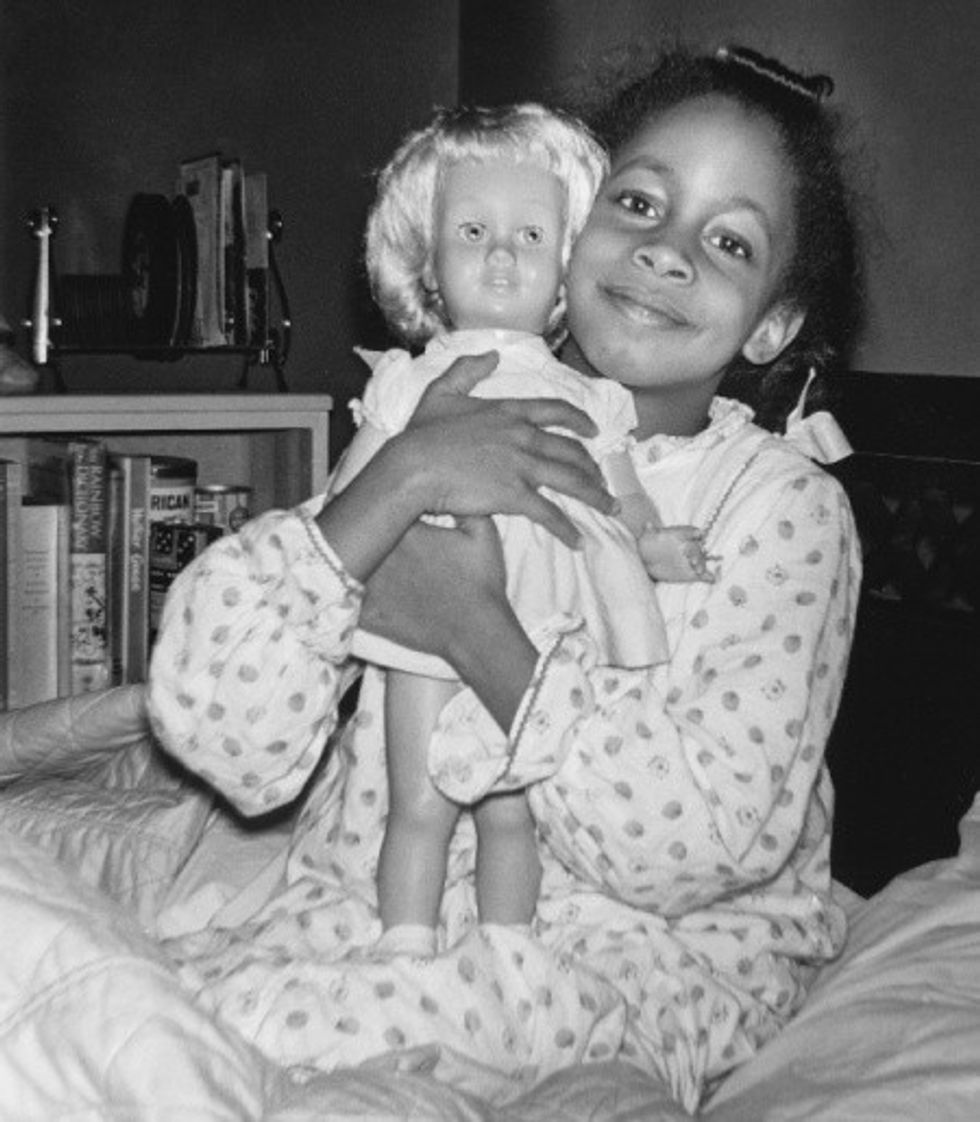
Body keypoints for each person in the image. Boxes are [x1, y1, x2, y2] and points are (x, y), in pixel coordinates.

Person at [147, 43, 864, 1112]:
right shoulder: (447, 403)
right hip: (384, 903)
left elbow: (700, 845)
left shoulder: (779, 508)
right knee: (142, 1002)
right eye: (636, 203)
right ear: (567, 225)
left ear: (769, 323)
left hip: (632, 956)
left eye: (725, 241)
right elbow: (227, 739)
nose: (666, 253)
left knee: (212, 1039)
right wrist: (390, 489)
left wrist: (475, 628)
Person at [329, 102, 710, 958]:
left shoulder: (589, 400)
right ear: (428, 268)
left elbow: (619, 503)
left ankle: (510, 953)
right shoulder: (405, 384)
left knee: (515, 811)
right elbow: (343, 512)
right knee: (418, 798)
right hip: (426, 634)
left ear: (568, 264)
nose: (502, 253)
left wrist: (654, 547)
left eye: (530, 237)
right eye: (471, 231)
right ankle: (405, 944)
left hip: (536, 638)